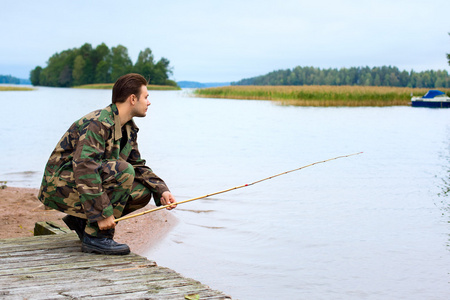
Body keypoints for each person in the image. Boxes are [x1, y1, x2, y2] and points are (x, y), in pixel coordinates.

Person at [38, 73, 176, 255]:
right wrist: (102, 213)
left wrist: (162, 190)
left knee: (142, 192)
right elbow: (85, 167)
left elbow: (138, 165)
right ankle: (97, 238)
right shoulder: (98, 123)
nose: (149, 102)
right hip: (58, 186)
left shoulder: (128, 127)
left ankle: (82, 222)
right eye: (146, 97)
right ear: (133, 99)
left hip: (79, 185)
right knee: (123, 171)